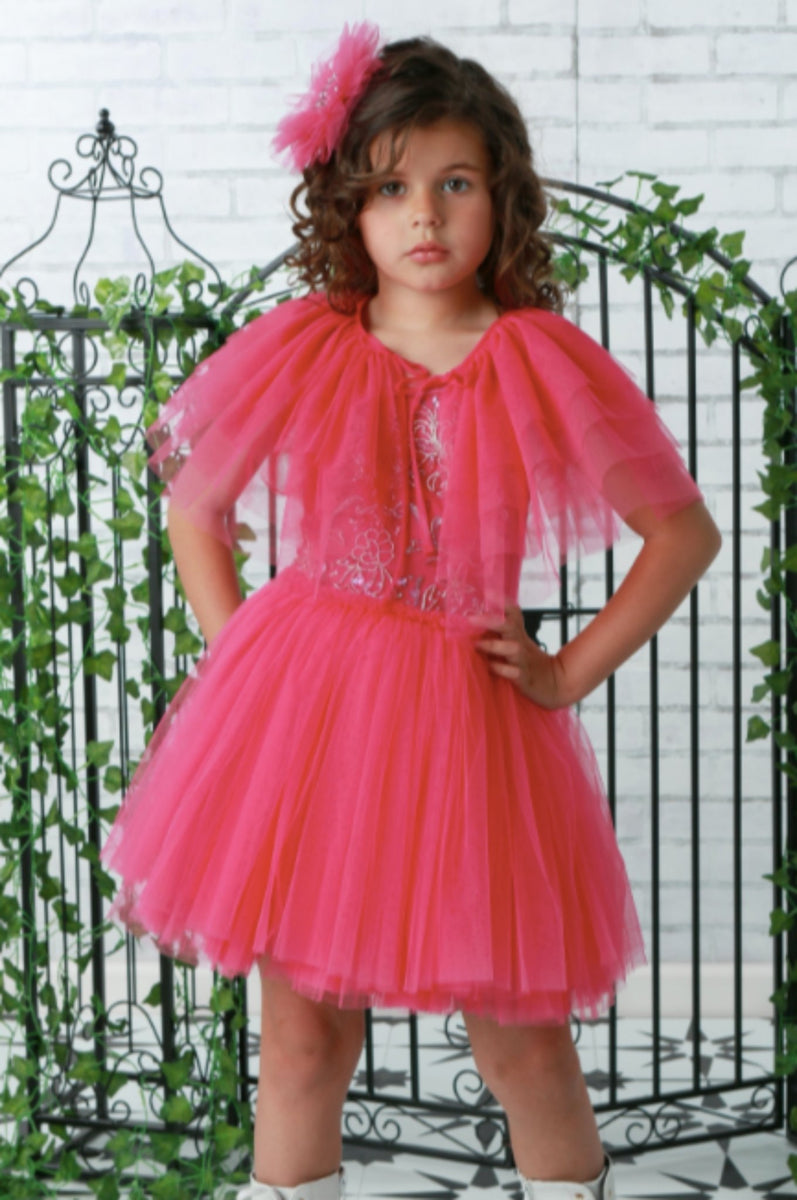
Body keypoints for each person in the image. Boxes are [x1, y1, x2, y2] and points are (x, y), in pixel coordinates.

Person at [101, 23, 722, 1200]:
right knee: (302, 1041)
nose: (423, 216)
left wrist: (565, 670)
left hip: (471, 728)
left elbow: (681, 535)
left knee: (520, 1043)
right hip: (309, 723)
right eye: (390, 188)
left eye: (454, 184)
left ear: (502, 197)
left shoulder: (537, 355)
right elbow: (194, 499)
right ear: (350, 204)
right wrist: (244, 660)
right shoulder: (309, 342)